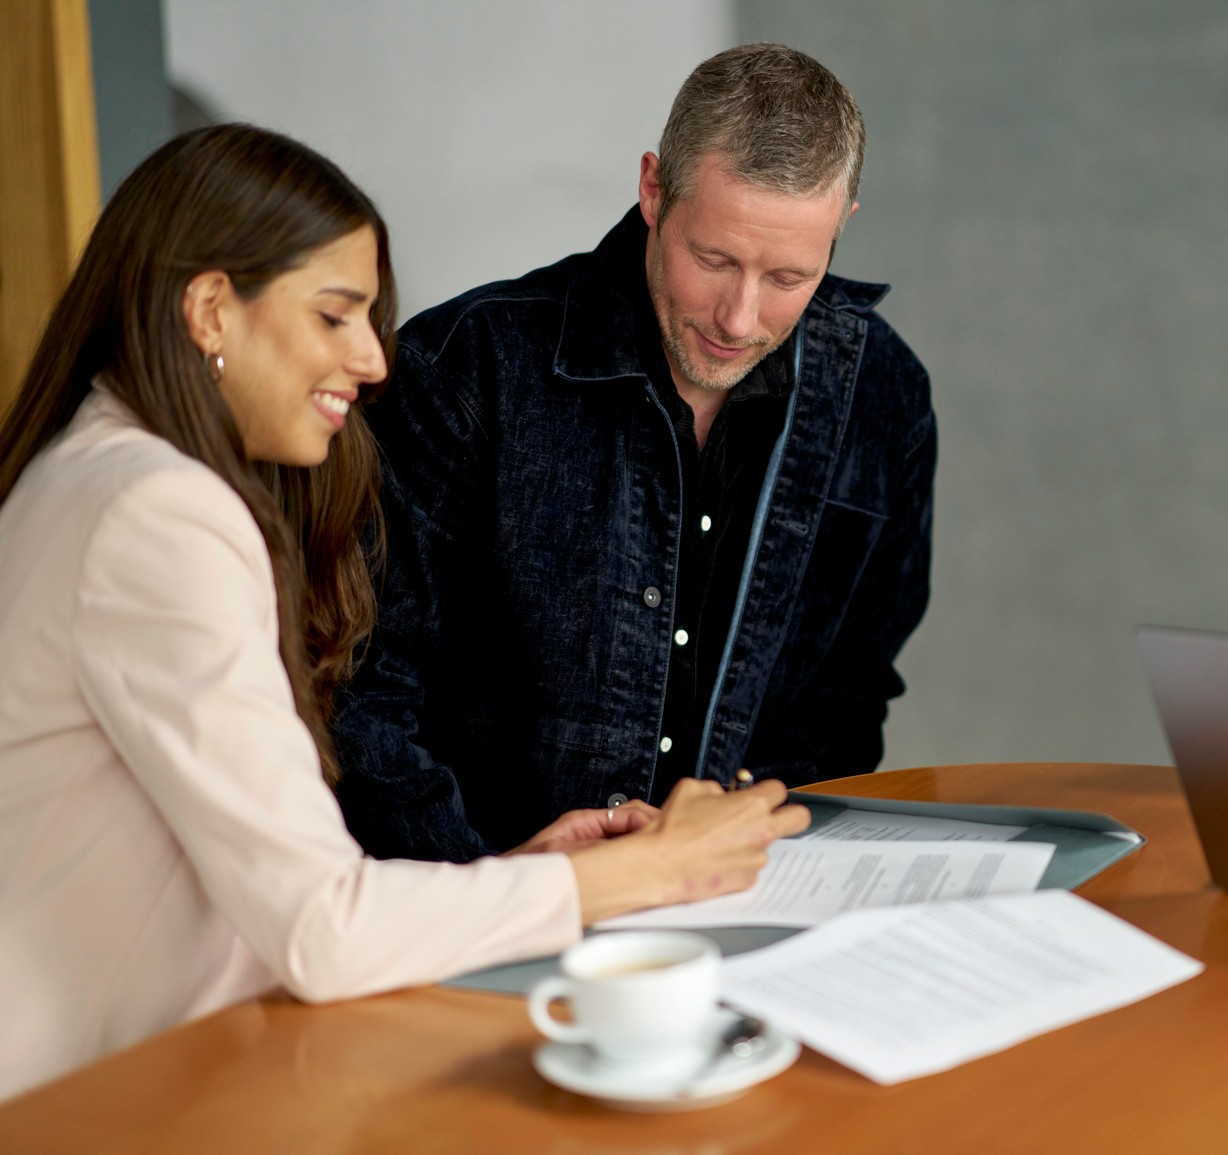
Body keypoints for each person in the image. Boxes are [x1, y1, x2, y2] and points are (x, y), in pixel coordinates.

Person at [0, 124, 807, 1100]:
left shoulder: (92, 471)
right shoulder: (158, 514)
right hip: (109, 1096)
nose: (375, 360)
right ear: (212, 310)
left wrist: (513, 876)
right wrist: (643, 878)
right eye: (335, 315)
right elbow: (320, 932)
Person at [333, 43, 935, 863]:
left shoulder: (881, 394)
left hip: (743, 907)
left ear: (842, 226)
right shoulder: (466, 371)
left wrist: (754, 856)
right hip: (482, 914)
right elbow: (359, 695)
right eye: (712, 260)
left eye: (790, 276)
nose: (737, 317)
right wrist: (493, 898)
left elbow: (846, 695)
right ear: (653, 188)